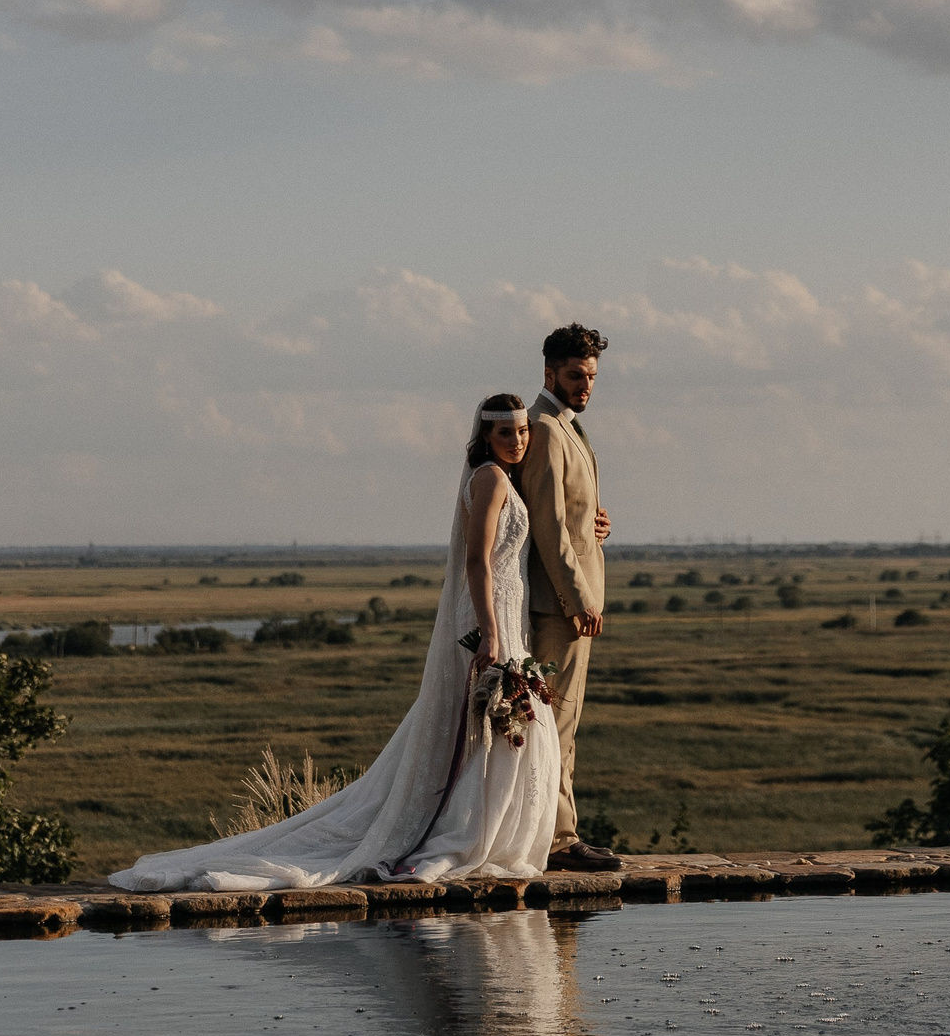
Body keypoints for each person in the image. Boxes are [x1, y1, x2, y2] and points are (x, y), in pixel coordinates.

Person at [106, 394, 560, 891]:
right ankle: (464, 832)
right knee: (483, 723)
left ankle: (482, 832)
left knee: (498, 724)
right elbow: (477, 560)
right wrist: (491, 632)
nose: (516, 441)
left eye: (522, 432)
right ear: (485, 438)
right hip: (489, 613)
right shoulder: (490, 478)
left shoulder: (505, 480)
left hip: (507, 611)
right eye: (505, 433)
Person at [520, 323, 621, 872]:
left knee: (563, 720)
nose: (586, 385)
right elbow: (548, 527)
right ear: (549, 374)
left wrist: (597, 524)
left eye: (591, 377)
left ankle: (556, 833)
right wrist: (579, 600)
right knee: (557, 720)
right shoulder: (545, 428)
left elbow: (572, 517)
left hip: (569, 600)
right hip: (557, 605)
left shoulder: (566, 426)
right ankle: (559, 841)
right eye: (576, 375)